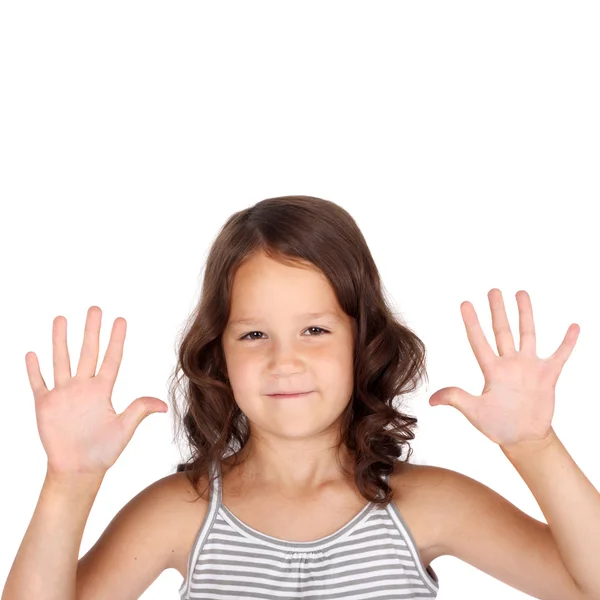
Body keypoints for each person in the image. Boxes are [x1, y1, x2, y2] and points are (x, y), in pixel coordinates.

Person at [5, 196, 591, 600]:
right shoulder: (179, 513)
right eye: (254, 334)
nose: (284, 361)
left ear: (363, 341)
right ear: (219, 354)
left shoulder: (428, 503)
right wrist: (70, 482)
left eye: (315, 330)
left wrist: (535, 447)